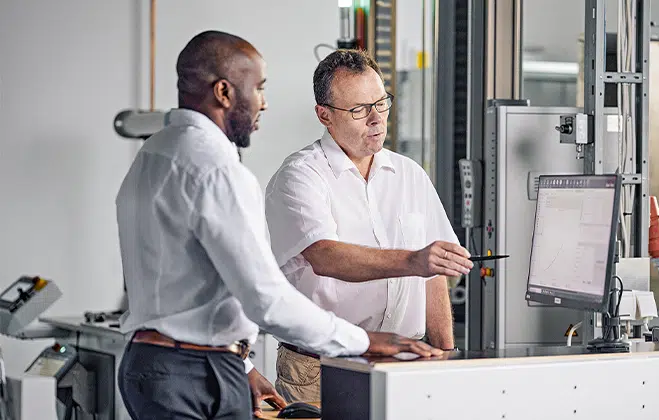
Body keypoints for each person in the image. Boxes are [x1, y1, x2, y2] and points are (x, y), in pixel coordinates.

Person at [115, 31, 441, 420]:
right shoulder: (217, 171)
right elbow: (265, 298)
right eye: (259, 88)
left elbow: (194, 281)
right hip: (194, 371)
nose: (264, 104)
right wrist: (363, 341)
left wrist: (243, 366)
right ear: (223, 92)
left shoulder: (154, 153)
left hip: (163, 365)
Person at [265, 49, 472, 403]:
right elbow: (325, 256)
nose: (376, 119)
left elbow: (435, 275)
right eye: (359, 110)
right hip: (322, 369)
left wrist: (447, 356)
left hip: (406, 361)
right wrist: (414, 261)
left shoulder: (409, 174)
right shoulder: (300, 175)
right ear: (324, 115)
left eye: (381, 103)